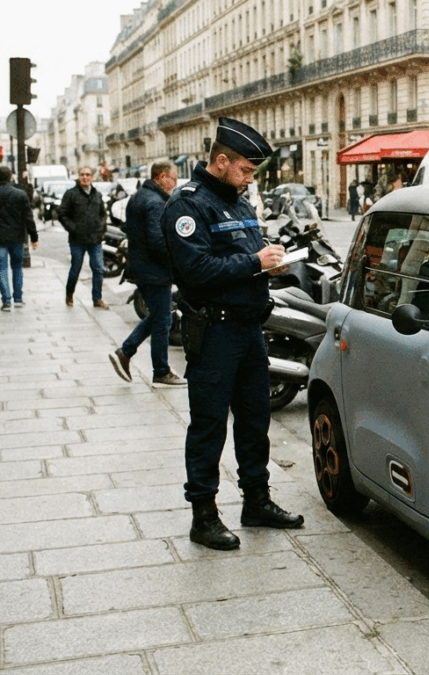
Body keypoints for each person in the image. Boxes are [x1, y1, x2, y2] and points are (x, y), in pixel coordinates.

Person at [161, 117, 303, 551]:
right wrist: (255, 264)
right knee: (208, 426)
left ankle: (256, 500)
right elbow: (197, 271)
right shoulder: (187, 205)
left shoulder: (240, 203)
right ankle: (203, 515)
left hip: (248, 330)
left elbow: (246, 255)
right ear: (221, 161)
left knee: (255, 419)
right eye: (244, 170)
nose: (249, 178)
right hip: (215, 330)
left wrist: (270, 263)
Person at [109, 160, 185, 387]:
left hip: (141, 267)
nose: (175, 182)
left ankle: (126, 351)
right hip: (154, 270)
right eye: (173, 177)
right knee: (163, 320)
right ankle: (160, 370)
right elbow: (157, 241)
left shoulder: (139, 196)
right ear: (161, 177)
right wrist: (176, 262)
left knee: (159, 316)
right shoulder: (154, 202)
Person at [59, 167, 108, 308]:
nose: (85, 177)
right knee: (76, 268)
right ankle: (69, 295)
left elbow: (103, 213)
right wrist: (73, 228)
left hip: (95, 239)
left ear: (92, 177)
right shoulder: (71, 194)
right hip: (77, 240)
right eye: (82, 174)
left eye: (88, 175)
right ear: (78, 176)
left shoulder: (96, 194)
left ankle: (97, 299)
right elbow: (62, 214)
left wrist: (101, 227)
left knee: (98, 269)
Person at [0, 166, 38, 312]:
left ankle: (6, 301)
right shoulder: (20, 194)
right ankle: (18, 298)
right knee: (17, 267)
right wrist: (34, 237)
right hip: (17, 237)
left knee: (1, 269)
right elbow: (29, 218)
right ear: (11, 177)